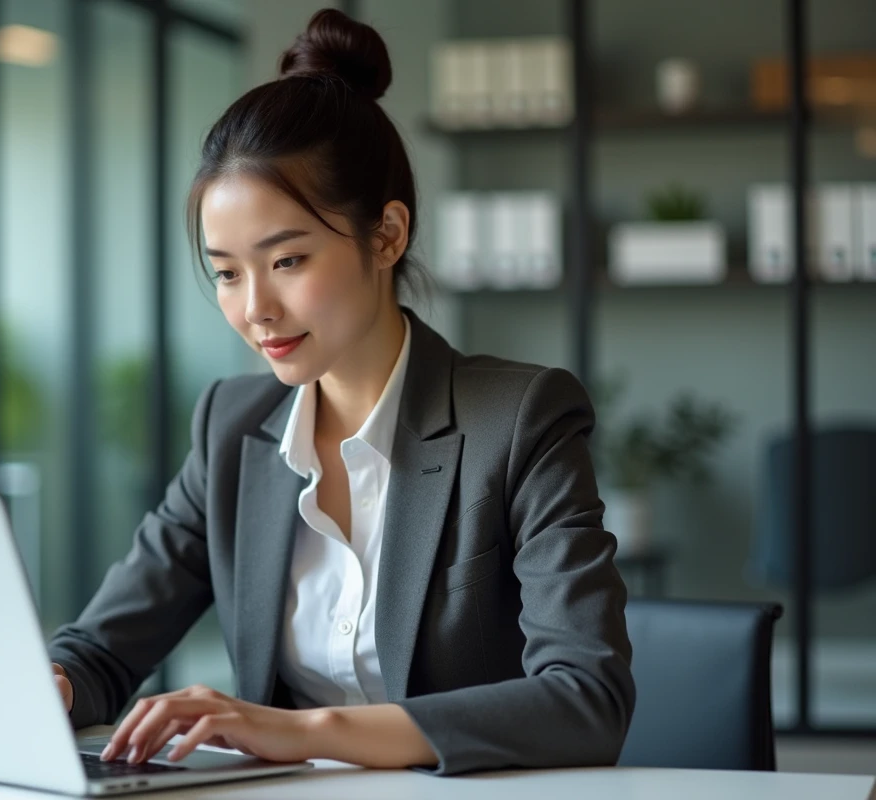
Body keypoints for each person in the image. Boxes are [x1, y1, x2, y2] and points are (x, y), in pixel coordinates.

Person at [48, 8, 634, 777]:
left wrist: (306, 731)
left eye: (287, 261)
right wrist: (51, 685)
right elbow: (100, 649)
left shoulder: (519, 420)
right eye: (226, 272)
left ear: (386, 235)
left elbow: (586, 700)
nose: (255, 308)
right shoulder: (232, 428)